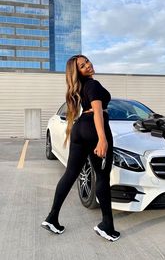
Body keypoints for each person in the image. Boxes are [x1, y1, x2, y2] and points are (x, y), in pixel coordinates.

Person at [41, 54, 120, 242]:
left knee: (70, 173)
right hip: (94, 129)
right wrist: (102, 139)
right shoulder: (93, 85)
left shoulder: (84, 86)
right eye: (83, 66)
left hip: (80, 129)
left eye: (87, 62)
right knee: (102, 176)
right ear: (78, 72)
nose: (88, 66)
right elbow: (98, 111)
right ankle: (107, 226)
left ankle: (52, 218)